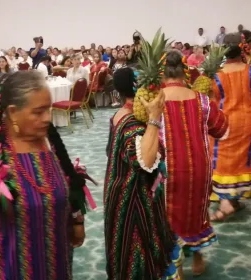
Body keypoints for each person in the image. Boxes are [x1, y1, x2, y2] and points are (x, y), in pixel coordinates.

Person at [0, 70, 89, 279]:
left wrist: (77, 221)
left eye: (48, 108)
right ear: (12, 112)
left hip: (51, 264)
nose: (47, 118)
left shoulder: (50, 140)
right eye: (38, 112)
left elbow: (69, 182)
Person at [104, 67, 182, 280]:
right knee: (140, 255)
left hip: (120, 194)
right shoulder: (133, 123)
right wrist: (154, 118)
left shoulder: (119, 114)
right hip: (135, 200)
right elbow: (145, 160)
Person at [160, 50, 229, 275]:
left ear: (162, 75)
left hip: (167, 171)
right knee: (197, 213)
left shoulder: (154, 101)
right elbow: (221, 129)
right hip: (199, 167)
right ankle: (197, 257)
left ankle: (174, 266)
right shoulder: (201, 101)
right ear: (185, 73)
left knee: (168, 217)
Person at [209, 33, 251, 220]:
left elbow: (212, 102)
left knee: (223, 164)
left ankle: (226, 203)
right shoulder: (249, 71)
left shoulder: (217, 76)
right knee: (242, 162)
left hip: (225, 125)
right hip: (248, 123)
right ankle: (234, 200)